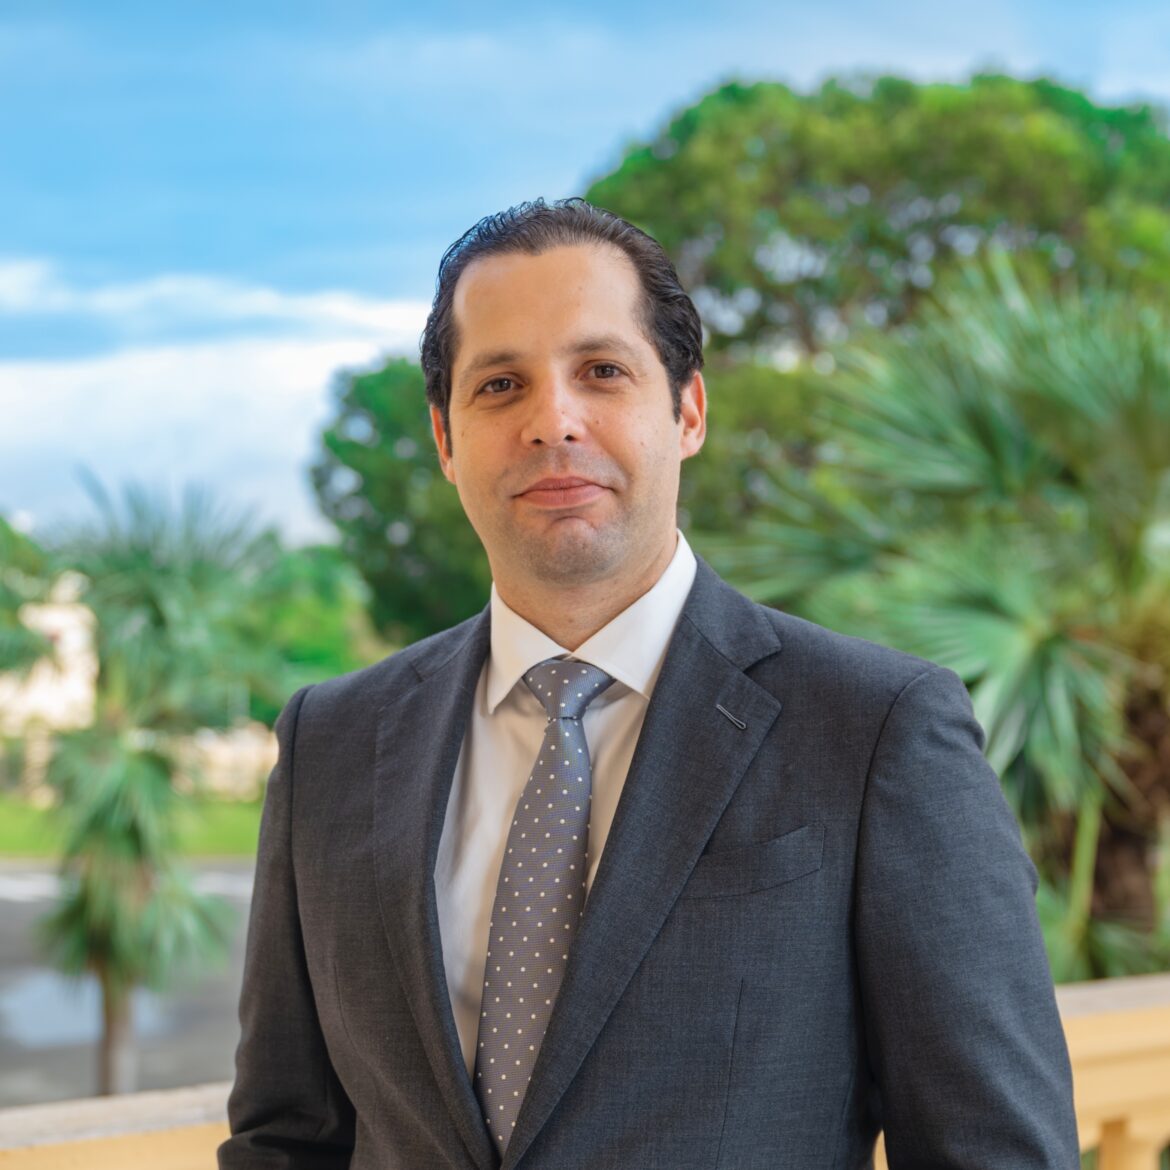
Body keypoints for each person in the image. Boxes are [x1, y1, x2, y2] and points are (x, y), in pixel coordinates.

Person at [219, 198, 1079, 1169]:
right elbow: (286, 1138)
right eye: (500, 385)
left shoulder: (876, 731)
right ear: (446, 441)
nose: (553, 421)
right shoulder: (334, 743)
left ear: (688, 411)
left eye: (602, 371)